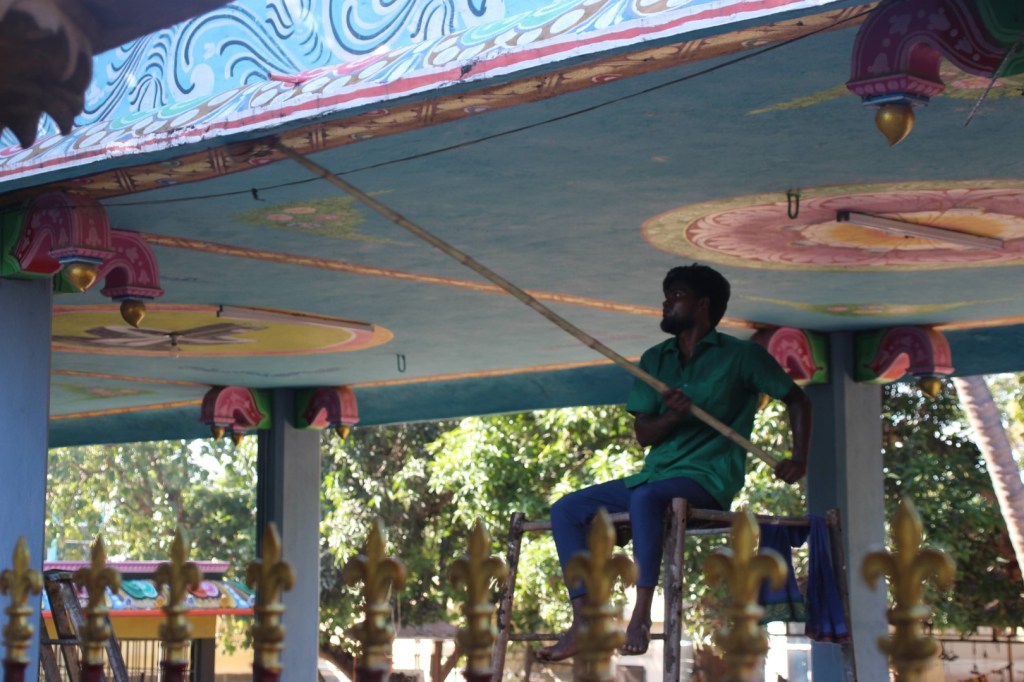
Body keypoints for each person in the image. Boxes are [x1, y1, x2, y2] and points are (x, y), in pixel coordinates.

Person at [536, 263, 811, 661]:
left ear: (703, 304)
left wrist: (799, 458)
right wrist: (671, 418)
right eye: (666, 296)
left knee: (646, 499)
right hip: (656, 475)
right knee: (566, 510)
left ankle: (642, 616)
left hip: (708, 478)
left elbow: (798, 400)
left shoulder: (742, 356)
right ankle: (584, 621)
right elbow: (644, 434)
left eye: (677, 295)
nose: (666, 303)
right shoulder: (655, 359)